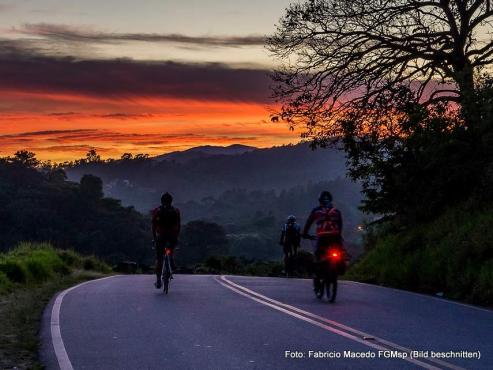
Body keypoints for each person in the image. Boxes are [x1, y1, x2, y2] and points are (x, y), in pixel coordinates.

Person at [302, 191, 343, 300]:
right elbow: (340, 226)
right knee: (340, 253)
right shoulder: (337, 211)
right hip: (335, 237)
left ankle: (317, 276)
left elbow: (308, 223)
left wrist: (305, 234)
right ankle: (338, 268)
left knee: (317, 258)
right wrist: (338, 236)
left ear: (319, 200)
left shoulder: (316, 211)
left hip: (322, 237)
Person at [152, 192, 181, 289]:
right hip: (172, 235)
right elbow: (178, 225)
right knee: (170, 249)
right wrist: (176, 235)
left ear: (161, 200)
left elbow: (153, 225)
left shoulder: (157, 210)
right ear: (171, 201)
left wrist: (154, 237)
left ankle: (158, 281)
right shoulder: (176, 211)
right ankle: (171, 258)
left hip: (161, 235)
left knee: (159, 259)